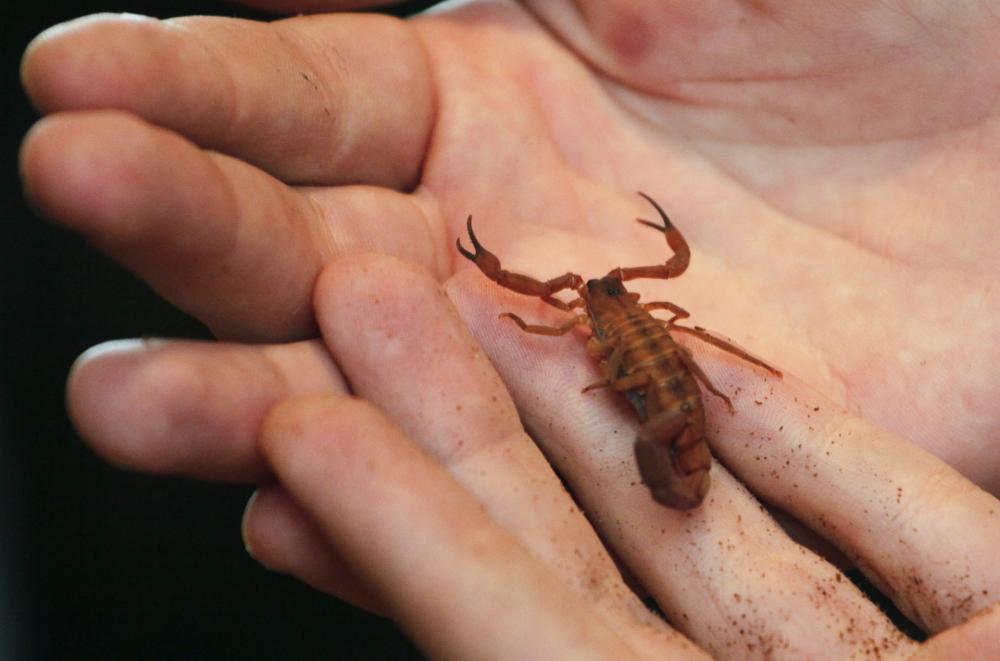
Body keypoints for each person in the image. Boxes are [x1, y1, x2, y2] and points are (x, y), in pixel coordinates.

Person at [20, 1, 1000, 658]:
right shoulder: (598, 310)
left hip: (649, 383)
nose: (610, 285)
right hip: (650, 379)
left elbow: (586, 315)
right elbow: (580, 314)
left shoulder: (590, 311)